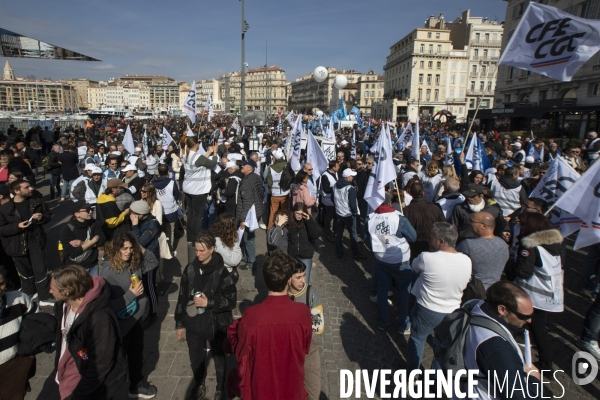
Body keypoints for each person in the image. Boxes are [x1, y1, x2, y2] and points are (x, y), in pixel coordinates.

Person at [235, 250, 312, 400]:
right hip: (292, 386)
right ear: (289, 280)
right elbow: (305, 347)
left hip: (262, 388)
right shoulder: (303, 312)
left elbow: (241, 352)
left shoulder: (251, 315)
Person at [51, 265, 129, 400]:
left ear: (67, 292)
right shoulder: (63, 305)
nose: (49, 291)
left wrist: (79, 395)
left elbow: (100, 364)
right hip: (68, 374)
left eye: (53, 288)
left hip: (86, 386)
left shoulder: (99, 319)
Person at [175, 233, 237, 400]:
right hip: (194, 324)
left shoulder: (222, 272)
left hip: (216, 325)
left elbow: (231, 300)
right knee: (195, 358)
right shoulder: (190, 269)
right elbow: (181, 297)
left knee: (218, 358)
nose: (198, 254)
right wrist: (180, 323)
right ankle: (199, 384)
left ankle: (219, 388)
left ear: (212, 249)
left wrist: (209, 302)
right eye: (196, 250)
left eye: (202, 250)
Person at [407, 222, 472, 374]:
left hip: (427, 308)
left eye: (432, 236)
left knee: (417, 338)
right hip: (453, 310)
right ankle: (435, 379)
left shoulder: (426, 257)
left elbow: (414, 268)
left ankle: (413, 372)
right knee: (442, 345)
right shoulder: (466, 260)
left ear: (441, 241)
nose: (429, 238)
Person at [99, 232, 158, 399]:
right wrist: (130, 295)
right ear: (115, 249)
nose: (128, 252)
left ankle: (135, 385)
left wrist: (141, 248)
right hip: (122, 324)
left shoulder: (133, 262)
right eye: (124, 248)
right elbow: (107, 306)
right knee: (122, 358)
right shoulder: (108, 274)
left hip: (136, 317)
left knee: (136, 354)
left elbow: (153, 262)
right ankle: (125, 386)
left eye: (131, 248)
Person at [460, 281, 542, 398]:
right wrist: (534, 379)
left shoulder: (475, 307)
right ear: (502, 309)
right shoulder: (497, 348)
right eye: (523, 316)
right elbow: (518, 396)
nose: (529, 321)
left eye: (531, 315)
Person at [505, 212, 563, 371]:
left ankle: (545, 365)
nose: (519, 227)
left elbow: (523, 271)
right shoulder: (553, 245)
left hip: (533, 296)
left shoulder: (530, 246)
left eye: (522, 224)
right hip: (548, 294)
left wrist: (509, 263)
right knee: (538, 329)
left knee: (537, 330)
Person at [364, 192, 417, 334]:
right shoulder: (399, 218)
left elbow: (366, 238)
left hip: (382, 259)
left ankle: (383, 320)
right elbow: (413, 237)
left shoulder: (370, 218)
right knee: (403, 292)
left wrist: (378, 248)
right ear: (389, 203)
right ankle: (403, 325)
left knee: (382, 289)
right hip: (400, 260)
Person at [0, 179, 53, 305]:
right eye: (26, 187)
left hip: (35, 240)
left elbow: (48, 215)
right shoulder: (4, 209)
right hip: (16, 243)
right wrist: (17, 226)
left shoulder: (36, 202)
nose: (31, 189)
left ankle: (44, 296)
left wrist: (42, 218)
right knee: (25, 271)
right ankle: (29, 293)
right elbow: (1, 229)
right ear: (16, 191)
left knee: (40, 269)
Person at [287, 261, 324, 400]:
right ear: (289, 278)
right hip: (289, 349)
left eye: (304, 275)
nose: (303, 280)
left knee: (314, 392)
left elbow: (318, 327)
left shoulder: (311, 293)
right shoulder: (282, 293)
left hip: (309, 349)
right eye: (299, 277)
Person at [0, 265, 37, 400]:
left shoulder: (19, 299)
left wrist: (28, 356)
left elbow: (37, 325)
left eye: (1, 284)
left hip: (13, 368)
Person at [182, 137, 219, 258]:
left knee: (191, 215)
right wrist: (215, 153)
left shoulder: (186, 155)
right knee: (198, 216)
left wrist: (208, 152)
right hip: (198, 190)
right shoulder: (197, 157)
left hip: (188, 188)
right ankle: (196, 240)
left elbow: (201, 160)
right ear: (197, 145)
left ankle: (190, 238)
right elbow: (212, 163)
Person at [456, 211, 509, 290]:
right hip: (495, 290)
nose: (469, 223)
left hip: (473, 290)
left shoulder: (467, 245)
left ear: (483, 226)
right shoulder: (503, 244)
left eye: (472, 221)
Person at [60, 202, 105, 276]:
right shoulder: (67, 229)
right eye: (87, 210)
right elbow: (74, 253)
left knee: (95, 286)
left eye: (91, 209)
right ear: (77, 214)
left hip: (93, 264)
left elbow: (102, 240)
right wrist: (93, 241)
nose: (90, 212)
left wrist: (83, 244)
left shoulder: (94, 223)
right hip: (76, 268)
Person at [403, 181, 446, 260]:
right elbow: (444, 226)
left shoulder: (406, 210)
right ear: (423, 193)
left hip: (417, 247)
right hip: (431, 246)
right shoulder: (434, 208)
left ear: (410, 194)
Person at [236, 159, 264, 271]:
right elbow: (261, 193)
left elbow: (247, 202)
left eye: (244, 165)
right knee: (248, 237)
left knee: (248, 238)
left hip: (249, 214)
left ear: (250, 168)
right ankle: (247, 256)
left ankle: (251, 262)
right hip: (256, 210)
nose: (241, 166)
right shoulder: (256, 177)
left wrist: (242, 219)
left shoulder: (246, 182)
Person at [333, 168, 367, 260]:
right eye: (351, 176)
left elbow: (333, 198)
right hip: (348, 215)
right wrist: (355, 213)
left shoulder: (335, 185)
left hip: (339, 213)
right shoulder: (350, 188)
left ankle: (339, 251)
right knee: (353, 234)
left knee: (339, 233)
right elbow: (353, 204)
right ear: (347, 178)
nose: (353, 177)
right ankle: (355, 252)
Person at [287, 202, 321, 284]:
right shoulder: (289, 224)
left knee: (305, 282)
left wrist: (309, 220)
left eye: (301, 214)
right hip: (292, 257)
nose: (299, 216)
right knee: (292, 282)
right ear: (293, 212)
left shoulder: (308, 222)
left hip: (306, 256)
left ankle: (305, 296)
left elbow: (315, 235)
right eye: (297, 213)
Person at [152, 164, 181, 256]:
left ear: (158, 173)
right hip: (170, 212)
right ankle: (169, 250)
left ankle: (159, 250)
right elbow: (176, 196)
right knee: (170, 232)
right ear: (168, 172)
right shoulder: (172, 183)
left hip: (157, 213)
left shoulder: (152, 184)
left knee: (158, 232)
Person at [266, 149, 290, 229]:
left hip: (275, 194)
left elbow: (269, 182)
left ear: (275, 158)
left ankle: (270, 229)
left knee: (273, 212)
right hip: (285, 193)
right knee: (285, 212)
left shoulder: (271, 168)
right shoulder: (288, 166)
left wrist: (271, 190)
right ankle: (285, 228)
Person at [319, 161, 339, 242]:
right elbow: (326, 189)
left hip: (335, 200)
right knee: (329, 217)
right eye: (337, 166)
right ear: (333, 167)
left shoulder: (336, 173)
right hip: (328, 200)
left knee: (336, 217)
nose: (339, 167)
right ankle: (327, 232)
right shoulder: (325, 176)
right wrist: (337, 189)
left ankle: (335, 231)